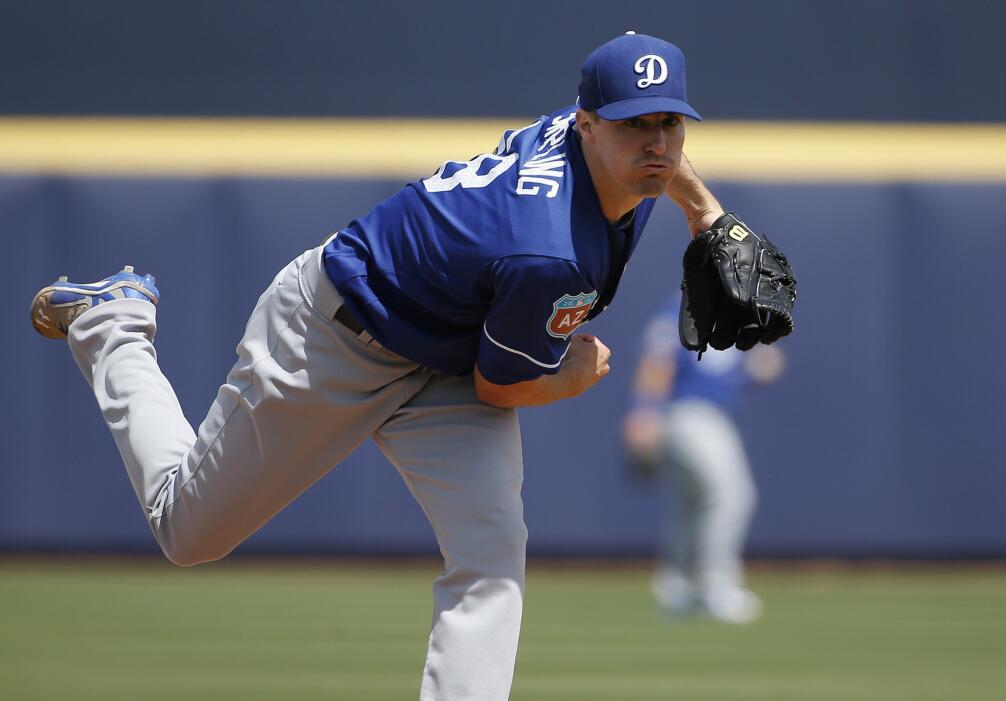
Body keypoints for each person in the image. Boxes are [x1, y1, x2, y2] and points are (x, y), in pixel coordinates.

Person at [28, 32, 733, 700]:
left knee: (491, 556)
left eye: (671, 122)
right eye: (635, 126)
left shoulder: (607, 150)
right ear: (585, 125)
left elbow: (657, 156)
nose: (658, 144)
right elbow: (504, 382)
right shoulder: (548, 249)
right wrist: (574, 378)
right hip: (337, 334)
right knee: (187, 530)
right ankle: (113, 322)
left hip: (451, 354)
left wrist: (706, 214)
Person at [623, 294, 785, 624]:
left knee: (691, 501)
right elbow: (657, 360)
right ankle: (716, 585)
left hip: (711, 414)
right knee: (731, 495)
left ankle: (677, 588)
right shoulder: (687, 306)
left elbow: (747, 364)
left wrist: (758, 365)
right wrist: (644, 411)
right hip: (689, 413)